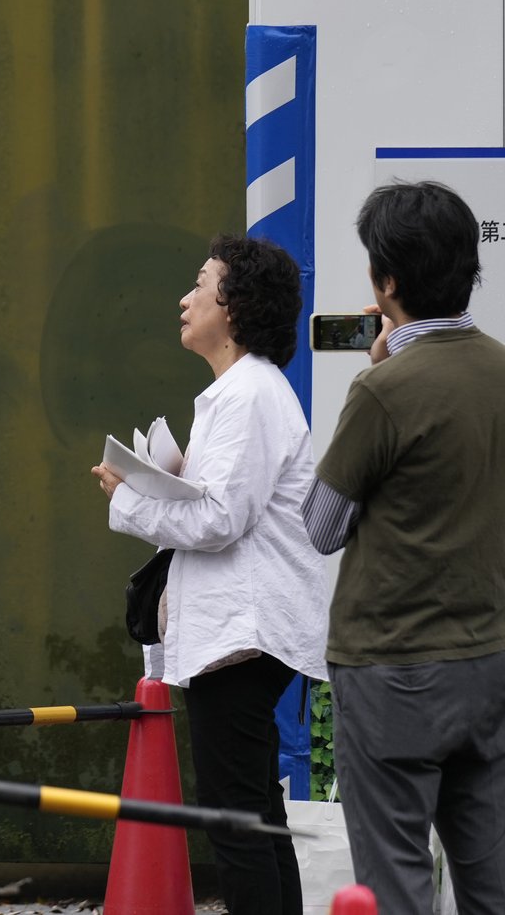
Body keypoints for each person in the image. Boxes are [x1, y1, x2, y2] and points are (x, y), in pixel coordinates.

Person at [301, 181, 505, 914]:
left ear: (388, 282)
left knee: (396, 879)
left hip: (392, 666)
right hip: (484, 658)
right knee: (492, 876)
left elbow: (322, 525)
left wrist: (377, 370)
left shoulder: (384, 391)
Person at [92, 234, 328, 915]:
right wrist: (167, 478)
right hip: (246, 630)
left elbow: (221, 518)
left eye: (200, 283)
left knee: (236, 818)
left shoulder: (248, 393)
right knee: (252, 812)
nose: (185, 298)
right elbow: (224, 507)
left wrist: (131, 497)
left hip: (241, 632)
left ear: (235, 303)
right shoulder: (246, 391)